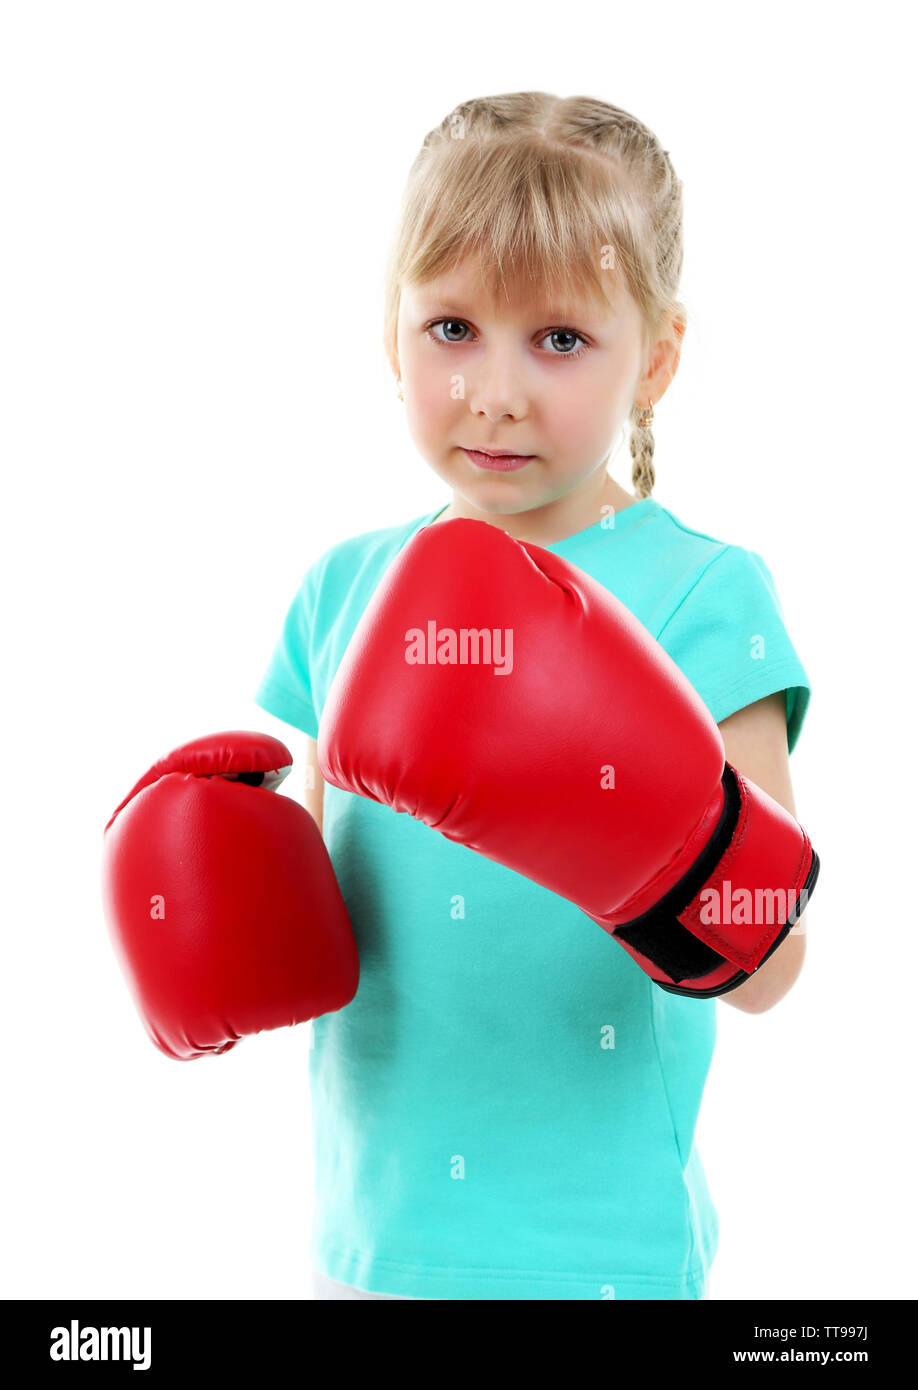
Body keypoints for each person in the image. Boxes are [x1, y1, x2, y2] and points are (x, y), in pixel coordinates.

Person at [254, 91, 813, 1300]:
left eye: (559, 339)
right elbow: (314, 915)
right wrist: (218, 906)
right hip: (370, 1246)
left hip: (597, 1256)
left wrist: (624, 823)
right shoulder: (343, 589)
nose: (495, 390)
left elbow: (773, 960)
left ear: (656, 357)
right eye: (451, 326)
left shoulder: (701, 592)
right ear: (388, 336)